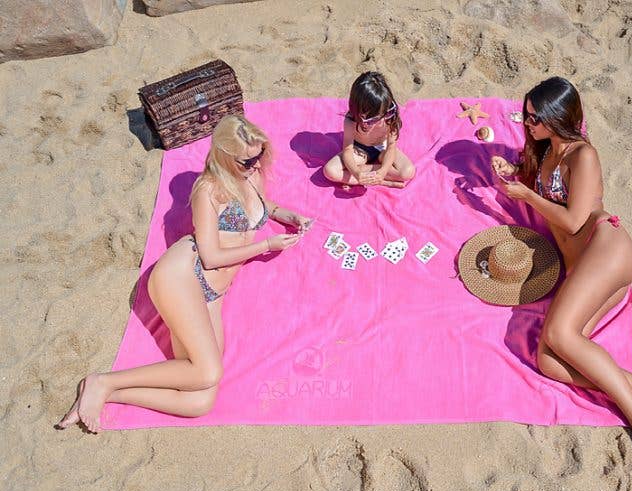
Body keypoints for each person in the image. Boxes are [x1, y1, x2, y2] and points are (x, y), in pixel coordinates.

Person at [491, 77, 632, 471]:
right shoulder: (545, 150)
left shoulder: (583, 155)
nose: (528, 123)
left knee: (558, 334)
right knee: (548, 360)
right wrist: (513, 170)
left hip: (605, 251)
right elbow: (536, 179)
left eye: (535, 118)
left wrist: (528, 196)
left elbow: (573, 221)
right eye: (526, 116)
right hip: (584, 269)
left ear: (557, 117)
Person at [56, 115, 313, 432]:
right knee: (208, 372)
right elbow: (211, 256)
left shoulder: (251, 175)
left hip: (211, 294)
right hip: (182, 277)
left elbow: (262, 205)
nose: (257, 164)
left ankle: (108, 393)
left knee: (200, 401)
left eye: (260, 155)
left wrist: (289, 216)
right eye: (248, 160)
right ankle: (103, 380)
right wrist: (266, 245)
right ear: (225, 155)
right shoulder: (209, 190)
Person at [323, 71, 415, 189]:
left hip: (383, 149)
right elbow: (348, 150)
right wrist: (357, 173)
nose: (382, 120)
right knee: (330, 171)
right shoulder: (351, 121)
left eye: (386, 112)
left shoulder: (390, 116)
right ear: (358, 113)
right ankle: (381, 181)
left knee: (408, 172)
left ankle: (365, 176)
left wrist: (383, 171)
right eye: (372, 120)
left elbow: (391, 146)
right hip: (359, 150)